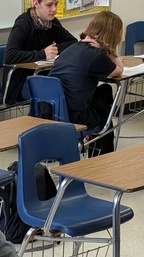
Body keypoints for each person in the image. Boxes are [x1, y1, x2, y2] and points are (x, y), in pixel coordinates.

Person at [49, 11, 125, 155]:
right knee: (106, 97)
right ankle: (103, 152)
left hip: (54, 112)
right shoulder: (97, 55)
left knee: (103, 97)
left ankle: (99, 148)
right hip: (75, 116)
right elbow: (119, 71)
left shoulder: (72, 48)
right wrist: (109, 50)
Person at [3, 0, 78, 103]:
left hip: (43, 76)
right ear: (36, 3)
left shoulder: (53, 23)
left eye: (56, 4)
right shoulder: (23, 23)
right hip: (20, 83)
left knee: (72, 84)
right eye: (49, 5)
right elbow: (9, 56)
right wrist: (42, 54)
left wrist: (54, 50)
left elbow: (73, 42)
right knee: (59, 89)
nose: (54, 9)